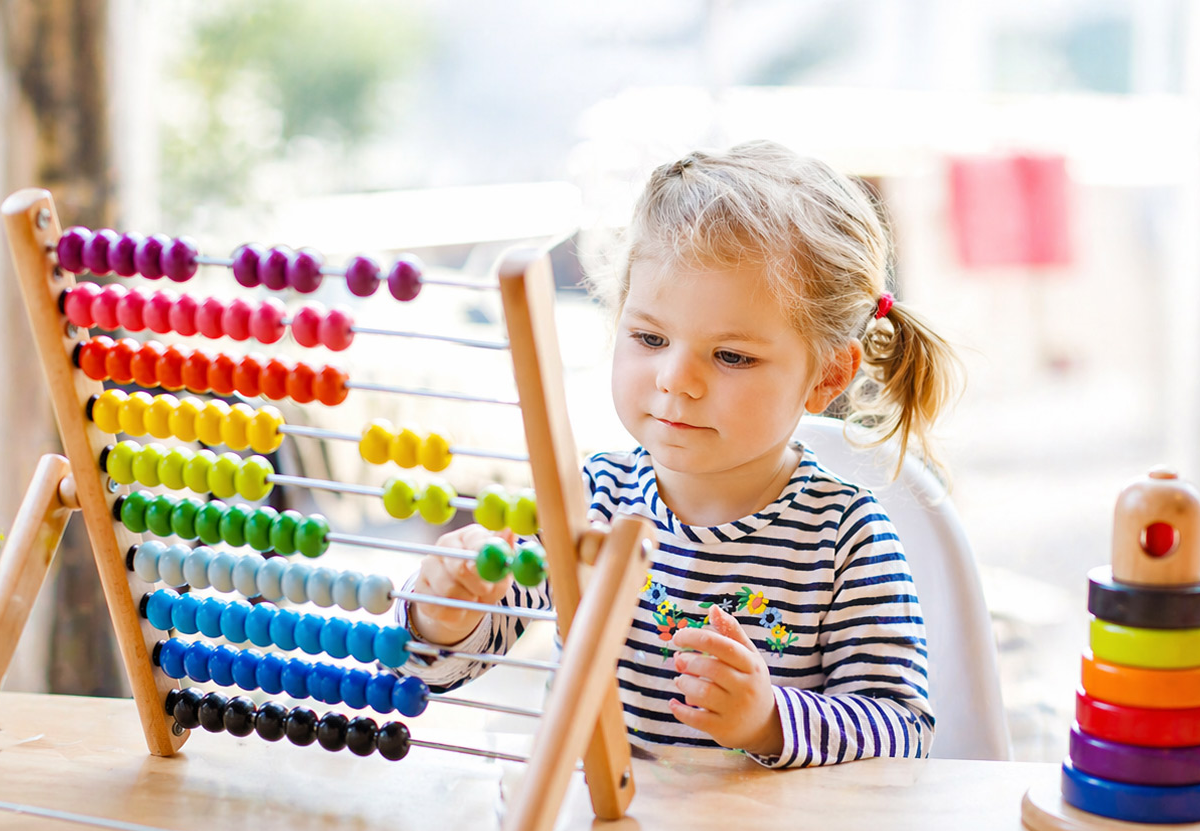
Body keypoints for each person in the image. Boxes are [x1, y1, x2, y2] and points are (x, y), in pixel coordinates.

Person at [394, 141, 960, 767]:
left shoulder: (845, 539)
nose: (674, 379)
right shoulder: (591, 500)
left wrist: (770, 719)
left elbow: (903, 729)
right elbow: (441, 669)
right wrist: (445, 612)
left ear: (828, 376)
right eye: (650, 337)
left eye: (732, 356)